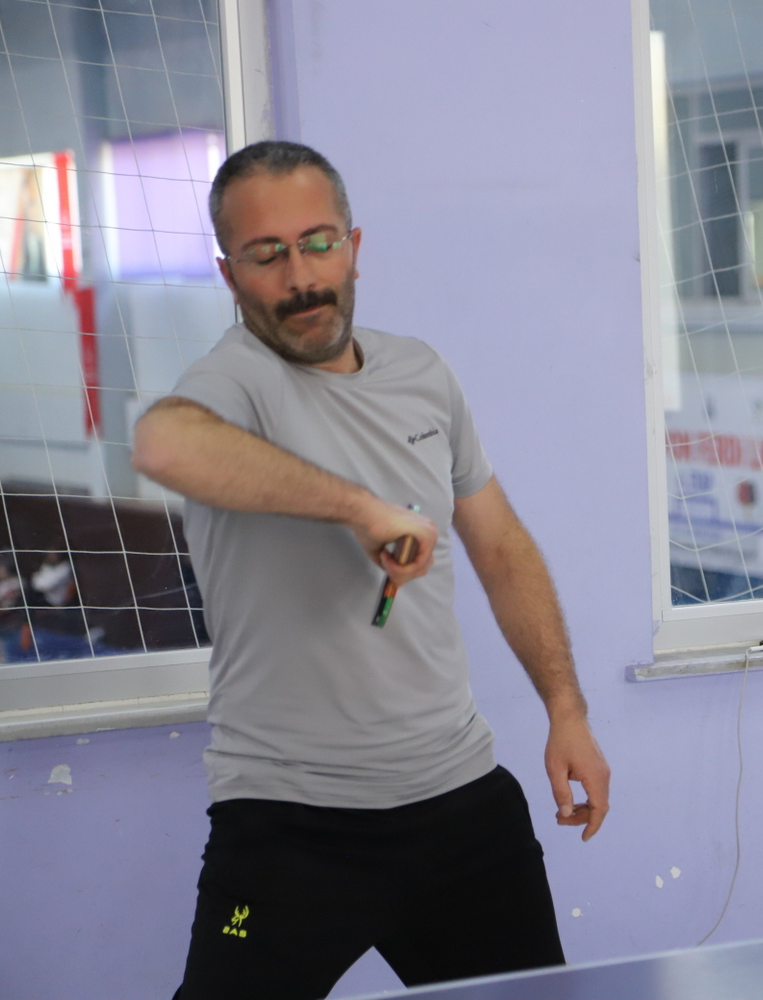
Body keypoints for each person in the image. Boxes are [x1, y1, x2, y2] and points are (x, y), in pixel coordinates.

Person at [131, 140, 610, 1000]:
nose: (300, 277)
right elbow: (164, 444)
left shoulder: (421, 373)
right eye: (266, 255)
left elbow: (501, 547)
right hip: (287, 831)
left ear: (353, 247)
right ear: (229, 274)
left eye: (318, 243)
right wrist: (360, 508)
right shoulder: (233, 383)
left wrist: (566, 709)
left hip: (461, 808)